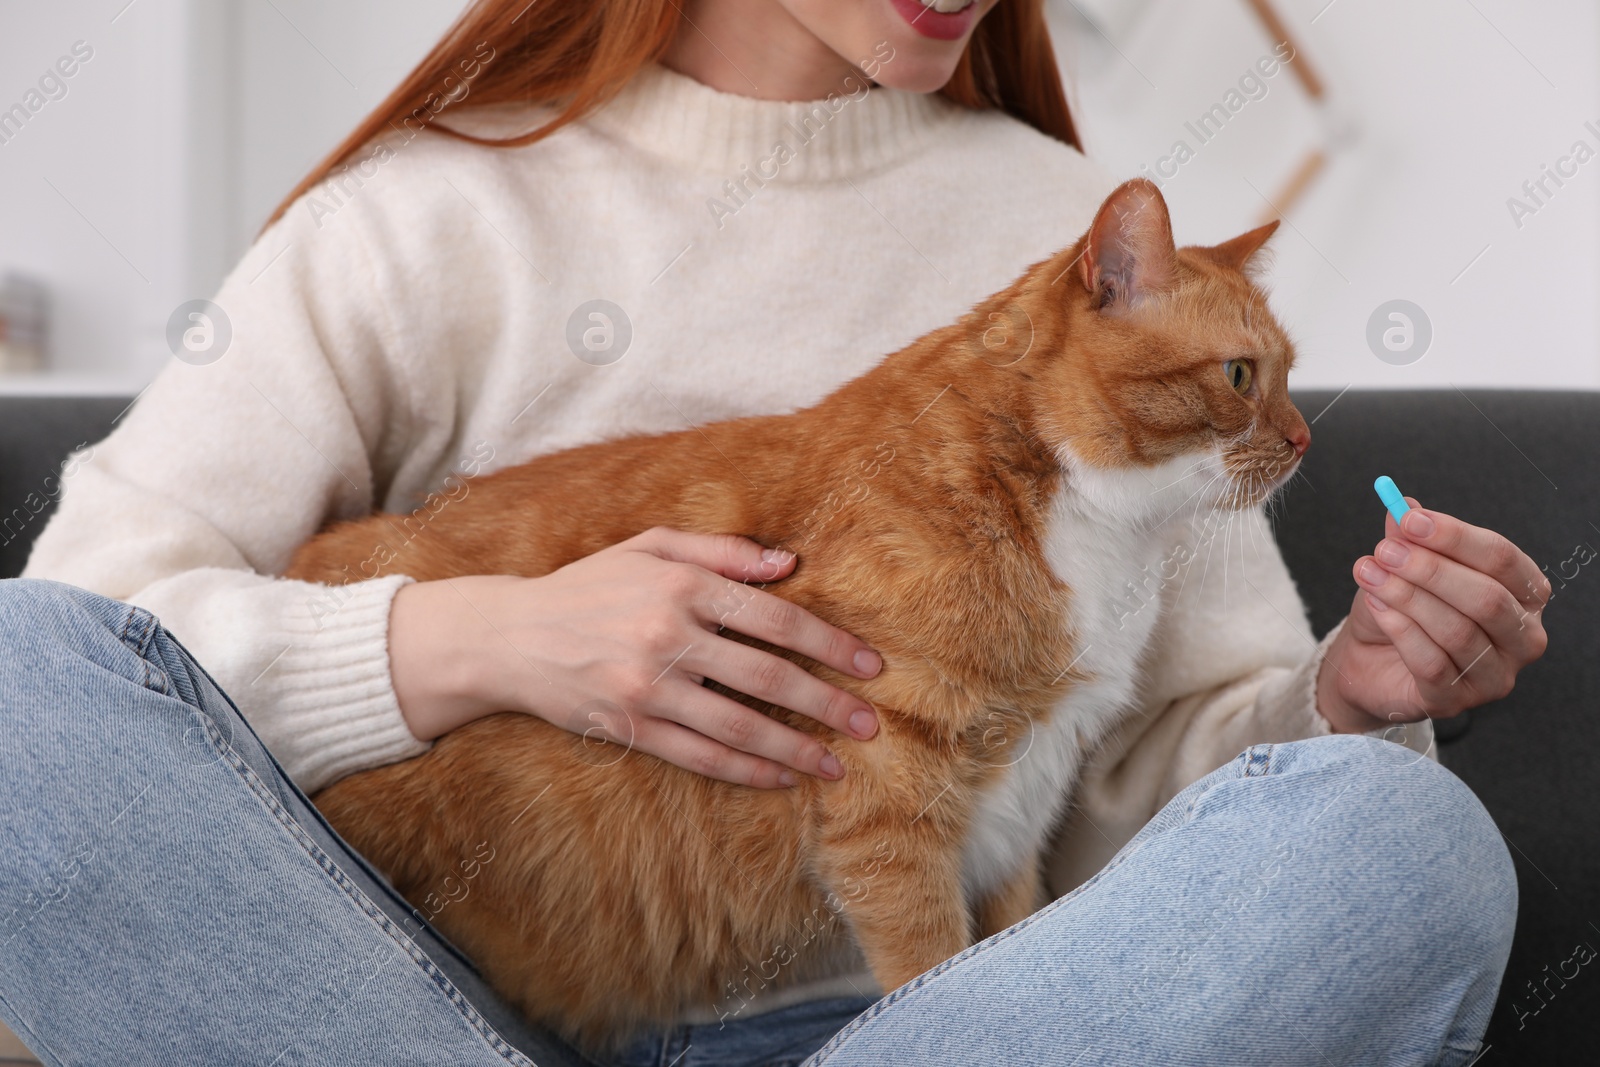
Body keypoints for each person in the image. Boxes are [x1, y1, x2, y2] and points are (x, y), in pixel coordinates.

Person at [0, 1, 1548, 1063]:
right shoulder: (424, 215)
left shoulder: (1092, 250)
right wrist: (474, 640)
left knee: (1400, 848)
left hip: (945, 1026)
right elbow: (85, 643)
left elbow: (1153, 788)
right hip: (434, 1008)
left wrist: (1349, 703)